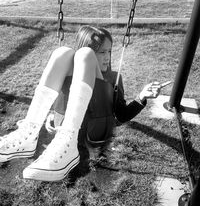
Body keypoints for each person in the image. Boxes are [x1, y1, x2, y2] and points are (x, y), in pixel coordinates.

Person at [0, 25, 161, 182]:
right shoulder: (69, 73)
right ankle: (29, 131)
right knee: (62, 52)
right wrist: (51, 115)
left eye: (109, 51)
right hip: (63, 127)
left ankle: (67, 140)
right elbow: (60, 101)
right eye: (102, 52)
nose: (107, 57)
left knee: (83, 55)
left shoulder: (113, 78)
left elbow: (121, 115)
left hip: (96, 132)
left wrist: (142, 97)